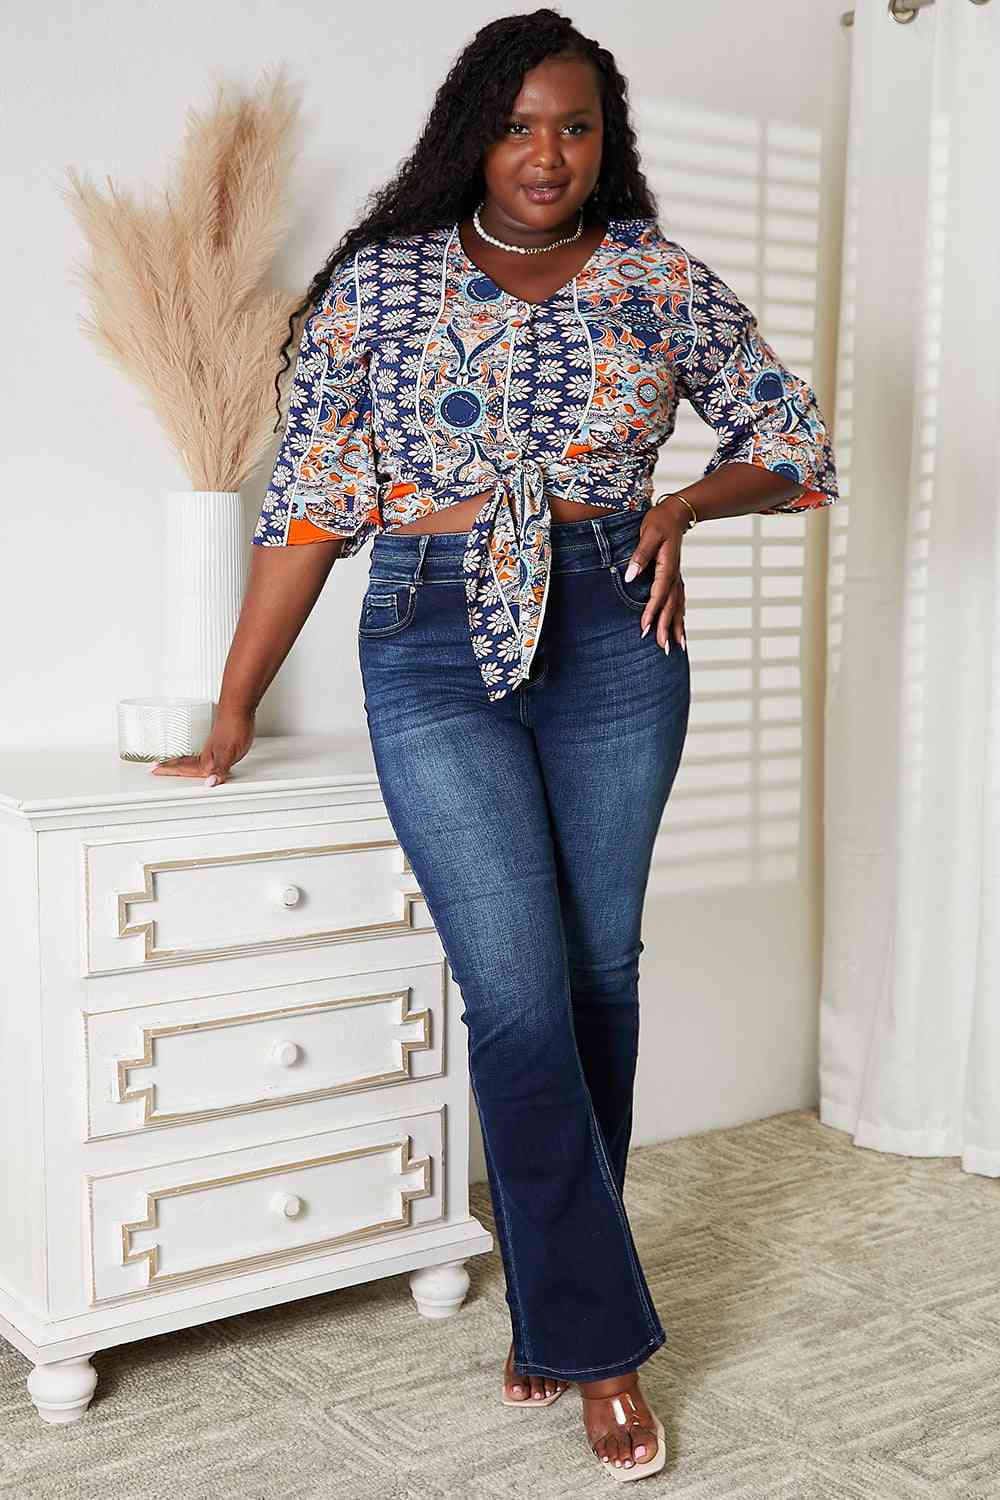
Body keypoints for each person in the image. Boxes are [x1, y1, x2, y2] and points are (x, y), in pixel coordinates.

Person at [152, 7, 838, 1481]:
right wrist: (234, 701)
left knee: (595, 977)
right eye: (520, 125)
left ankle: (554, 1301)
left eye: (576, 127)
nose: (547, 153)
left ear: (608, 140)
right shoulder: (380, 286)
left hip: (615, 628)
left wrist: (683, 503)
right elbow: (311, 505)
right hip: (430, 628)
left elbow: (793, 443)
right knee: (516, 990)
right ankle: (603, 1346)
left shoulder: (658, 277)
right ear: (475, 133)